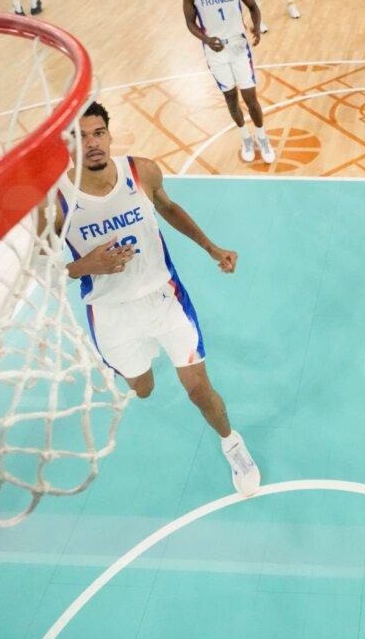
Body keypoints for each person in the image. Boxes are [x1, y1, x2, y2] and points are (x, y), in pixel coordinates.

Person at [48, 102, 262, 496]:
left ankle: (232, 443)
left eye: (98, 133)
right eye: (80, 137)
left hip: (164, 299)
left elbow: (169, 208)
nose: (92, 143)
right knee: (142, 390)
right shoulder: (57, 201)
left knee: (198, 388)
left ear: (109, 135)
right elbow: (44, 267)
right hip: (110, 314)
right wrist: (85, 264)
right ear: (68, 145)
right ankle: (141, 361)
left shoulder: (141, 171)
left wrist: (212, 248)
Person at [181, 0, 275, 165]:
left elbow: (253, 6)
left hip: (238, 47)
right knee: (230, 98)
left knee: (250, 98)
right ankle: (246, 139)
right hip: (215, 51)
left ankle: (262, 138)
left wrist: (257, 27)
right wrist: (206, 39)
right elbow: (189, 22)